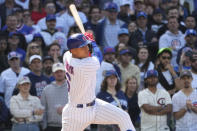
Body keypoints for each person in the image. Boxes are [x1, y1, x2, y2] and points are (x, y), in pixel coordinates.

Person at [62, 33, 135, 131]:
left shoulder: (67, 55)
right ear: (74, 51)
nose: (86, 48)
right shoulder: (84, 65)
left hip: (94, 105)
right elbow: (98, 55)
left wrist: (87, 41)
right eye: (82, 47)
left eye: (86, 46)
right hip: (76, 115)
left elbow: (88, 53)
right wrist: (93, 43)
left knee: (123, 117)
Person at [41, 63, 68, 131]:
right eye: (56, 72)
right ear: (53, 74)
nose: (59, 74)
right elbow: (43, 109)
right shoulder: (46, 89)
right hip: (51, 126)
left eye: (61, 71)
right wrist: (44, 127)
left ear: (65, 72)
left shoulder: (73, 88)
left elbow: (78, 107)